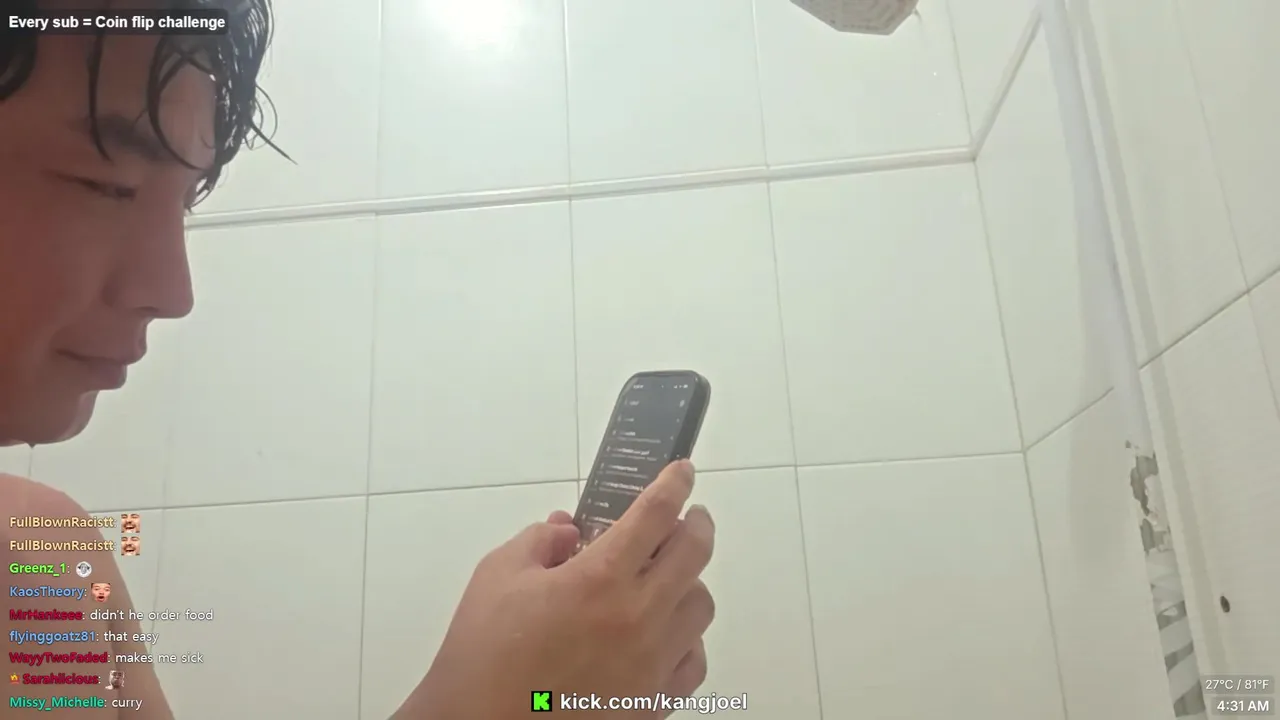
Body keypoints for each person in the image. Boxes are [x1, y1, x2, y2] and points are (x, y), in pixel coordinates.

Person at [0, 1, 717, 718]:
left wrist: (528, 688)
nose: (172, 291)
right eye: (107, 184)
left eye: (184, 202)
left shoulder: (43, 561)